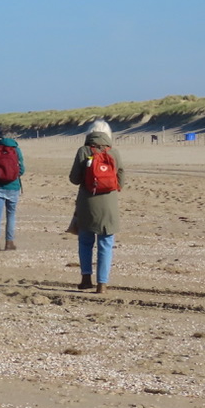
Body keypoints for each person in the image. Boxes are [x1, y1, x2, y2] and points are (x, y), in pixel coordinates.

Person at [68, 120, 123, 294]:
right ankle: (102, 284)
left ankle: (85, 279)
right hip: (109, 204)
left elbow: (74, 178)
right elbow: (121, 180)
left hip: (87, 202)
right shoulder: (114, 152)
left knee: (85, 242)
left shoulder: (83, 151)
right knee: (105, 244)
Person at [0, 130, 26, 251]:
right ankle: (9, 242)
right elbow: (22, 169)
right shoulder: (16, 149)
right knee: (11, 215)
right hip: (13, 187)